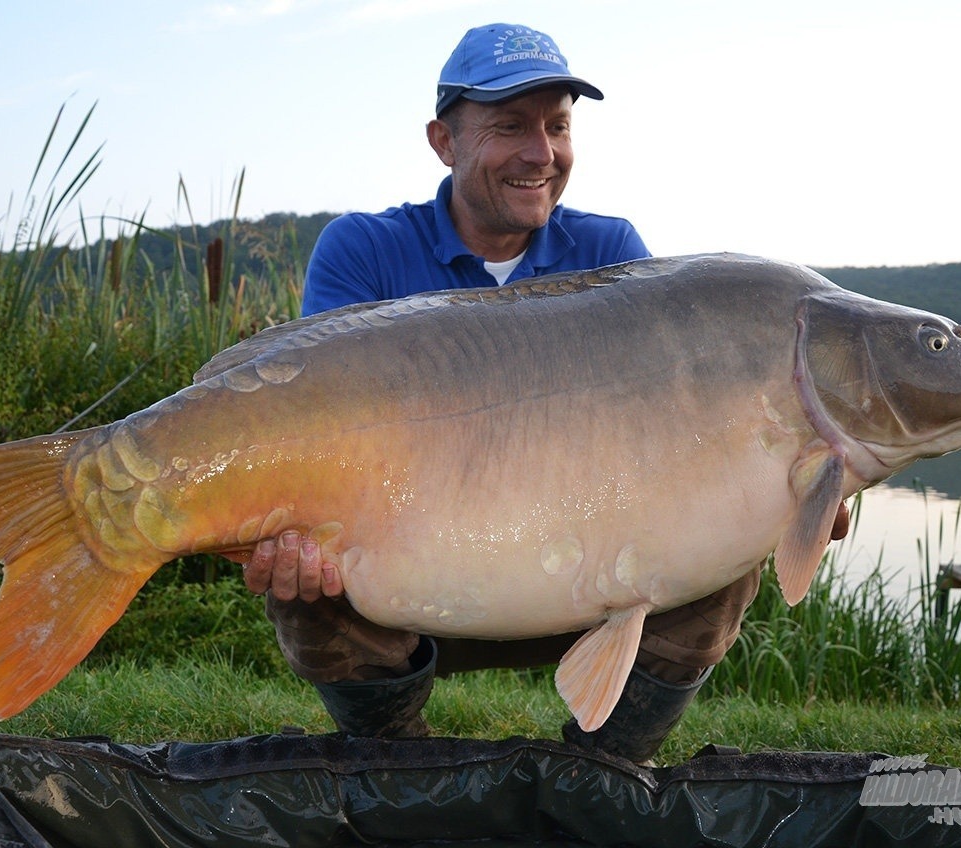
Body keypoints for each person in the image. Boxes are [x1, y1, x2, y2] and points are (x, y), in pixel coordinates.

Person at [240, 22, 850, 763]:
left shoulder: (612, 256)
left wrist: (789, 487)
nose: (541, 153)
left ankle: (607, 768)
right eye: (509, 127)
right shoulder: (363, 251)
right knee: (309, 587)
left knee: (724, 567)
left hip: (581, 578)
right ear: (443, 140)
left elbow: (676, 439)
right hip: (410, 587)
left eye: (558, 126)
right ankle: (398, 765)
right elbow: (311, 432)